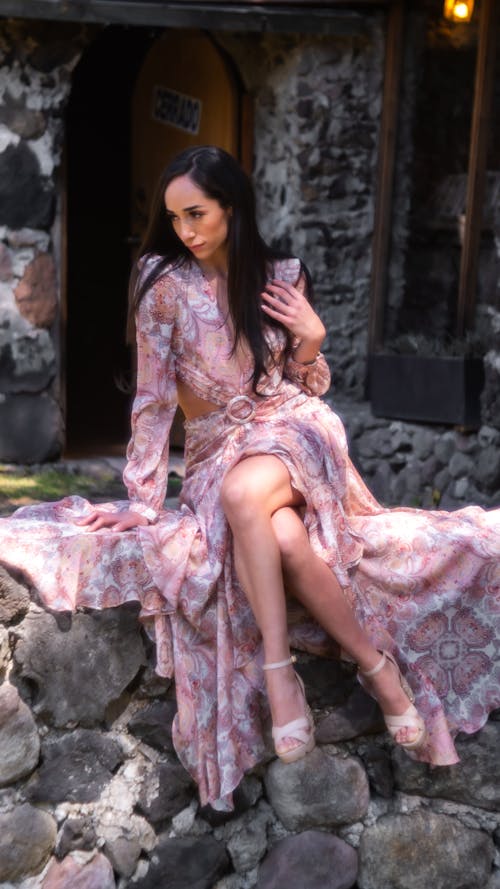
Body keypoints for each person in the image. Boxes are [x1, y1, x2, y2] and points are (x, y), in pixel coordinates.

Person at [0, 146, 499, 812]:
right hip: (213, 454)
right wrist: (144, 504)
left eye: (198, 213)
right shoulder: (161, 283)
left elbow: (305, 384)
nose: (185, 230)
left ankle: (279, 671)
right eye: (174, 216)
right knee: (281, 535)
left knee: (247, 494)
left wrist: (313, 340)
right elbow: (152, 401)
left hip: (294, 430)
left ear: (232, 207)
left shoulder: (282, 276)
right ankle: (379, 670)